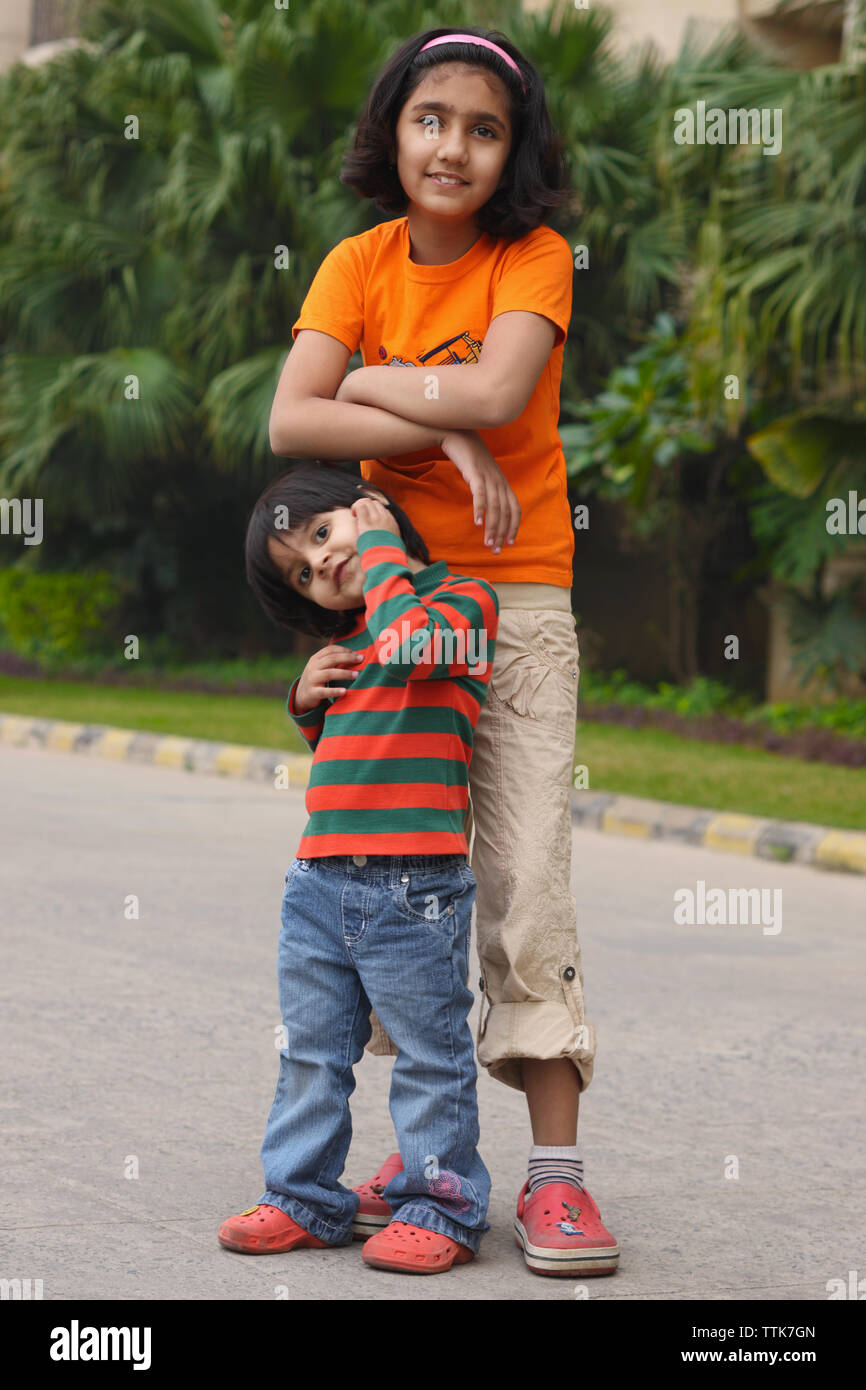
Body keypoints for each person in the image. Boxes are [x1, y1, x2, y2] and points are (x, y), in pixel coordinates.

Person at [267, 26, 619, 1277]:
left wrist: (384, 390)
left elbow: (491, 391)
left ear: (510, 150)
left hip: (513, 607)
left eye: (482, 127)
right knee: (381, 880)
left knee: (524, 881)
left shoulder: (531, 258)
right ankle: (425, 1157)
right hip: (389, 606)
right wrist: (447, 419)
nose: (452, 145)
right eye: (430, 119)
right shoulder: (358, 259)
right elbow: (283, 418)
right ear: (392, 129)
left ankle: (558, 1180)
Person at [217, 464, 499, 1274]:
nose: (321, 563)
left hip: (415, 885)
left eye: (321, 532)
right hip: (317, 883)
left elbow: (414, 646)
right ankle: (302, 1195)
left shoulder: (462, 605)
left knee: (429, 1054)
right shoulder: (347, 648)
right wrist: (305, 699)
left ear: (371, 512)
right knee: (310, 1049)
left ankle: (440, 1205)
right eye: (302, 573)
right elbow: (351, 754)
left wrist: (379, 546)